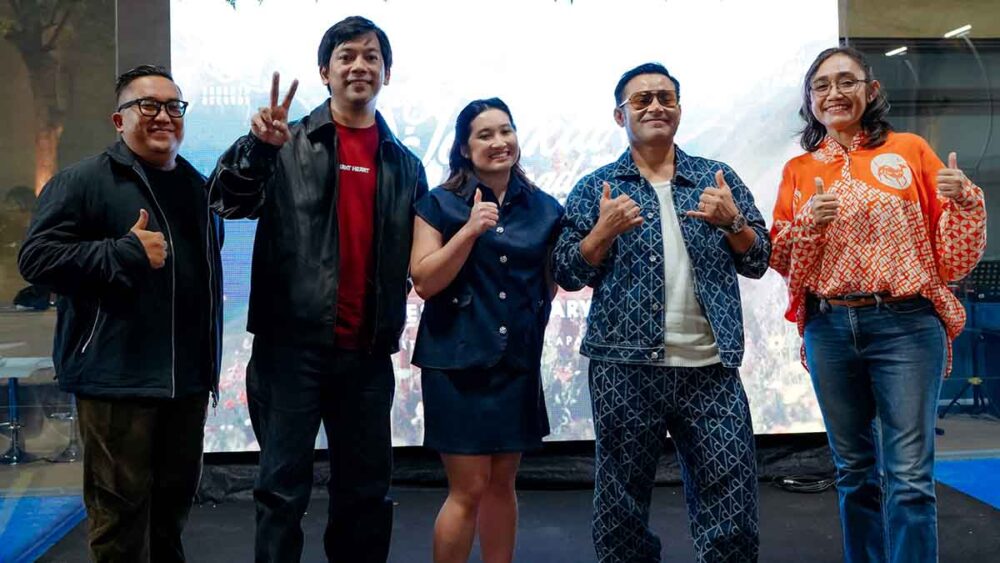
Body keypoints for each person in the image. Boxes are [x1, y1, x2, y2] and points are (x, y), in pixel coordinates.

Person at [207, 16, 428, 563]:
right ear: (324, 71)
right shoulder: (285, 143)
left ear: (387, 73)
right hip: (290, 350)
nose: (360, 66)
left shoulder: (405, 164)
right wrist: (258, 149)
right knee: (281, 492)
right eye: (346, 56)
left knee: (366, 494)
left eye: (372, 56)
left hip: (368, 354)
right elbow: (224, 201)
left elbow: (417, 258)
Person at [769, 46, 987, 563]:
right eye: (822, 85)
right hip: (829, 327)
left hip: (906, 325)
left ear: (871, 91)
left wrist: (963, 200)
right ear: (810, 100)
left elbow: (954, 259)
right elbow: (781, 257)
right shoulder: (799, 169)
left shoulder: (909, 150)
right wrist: (809, 224)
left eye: (846, 81)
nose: (834, 93)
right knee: (853, 472)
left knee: (909, 477)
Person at [553, 62, 770, 562]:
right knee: (621, 507)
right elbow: (567, 272)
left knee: (733, 507)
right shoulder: (597, 187)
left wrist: (732, 221)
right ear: (620, 115)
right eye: (642, 100)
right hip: (624, 367)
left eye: (665, 98)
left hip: (711, 368)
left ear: (679, 109)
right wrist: (602, 232)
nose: (655, 106)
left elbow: (758, 259)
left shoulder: (715, 179)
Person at [18, 64, 223, 562]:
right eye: (147, 105)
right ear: (119, 120)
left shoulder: (197, 187)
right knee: (119, 523)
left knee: (171, 517)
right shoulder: (83, 181)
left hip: (186, 383)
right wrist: (123, 252)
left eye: (173, 106)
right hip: (116, 380)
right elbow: (36, 260)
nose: (163, 116)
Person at [409, 98, 564, 563]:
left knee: (502, 483)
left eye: (506, 131)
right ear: (464, 148)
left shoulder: (544, 208)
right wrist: (469, 231)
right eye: (485, 134)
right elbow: (424, 281)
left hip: (515, 363)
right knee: (469, 487)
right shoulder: (438, 204)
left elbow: (550, 284)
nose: (499, 142)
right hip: (456, 363)